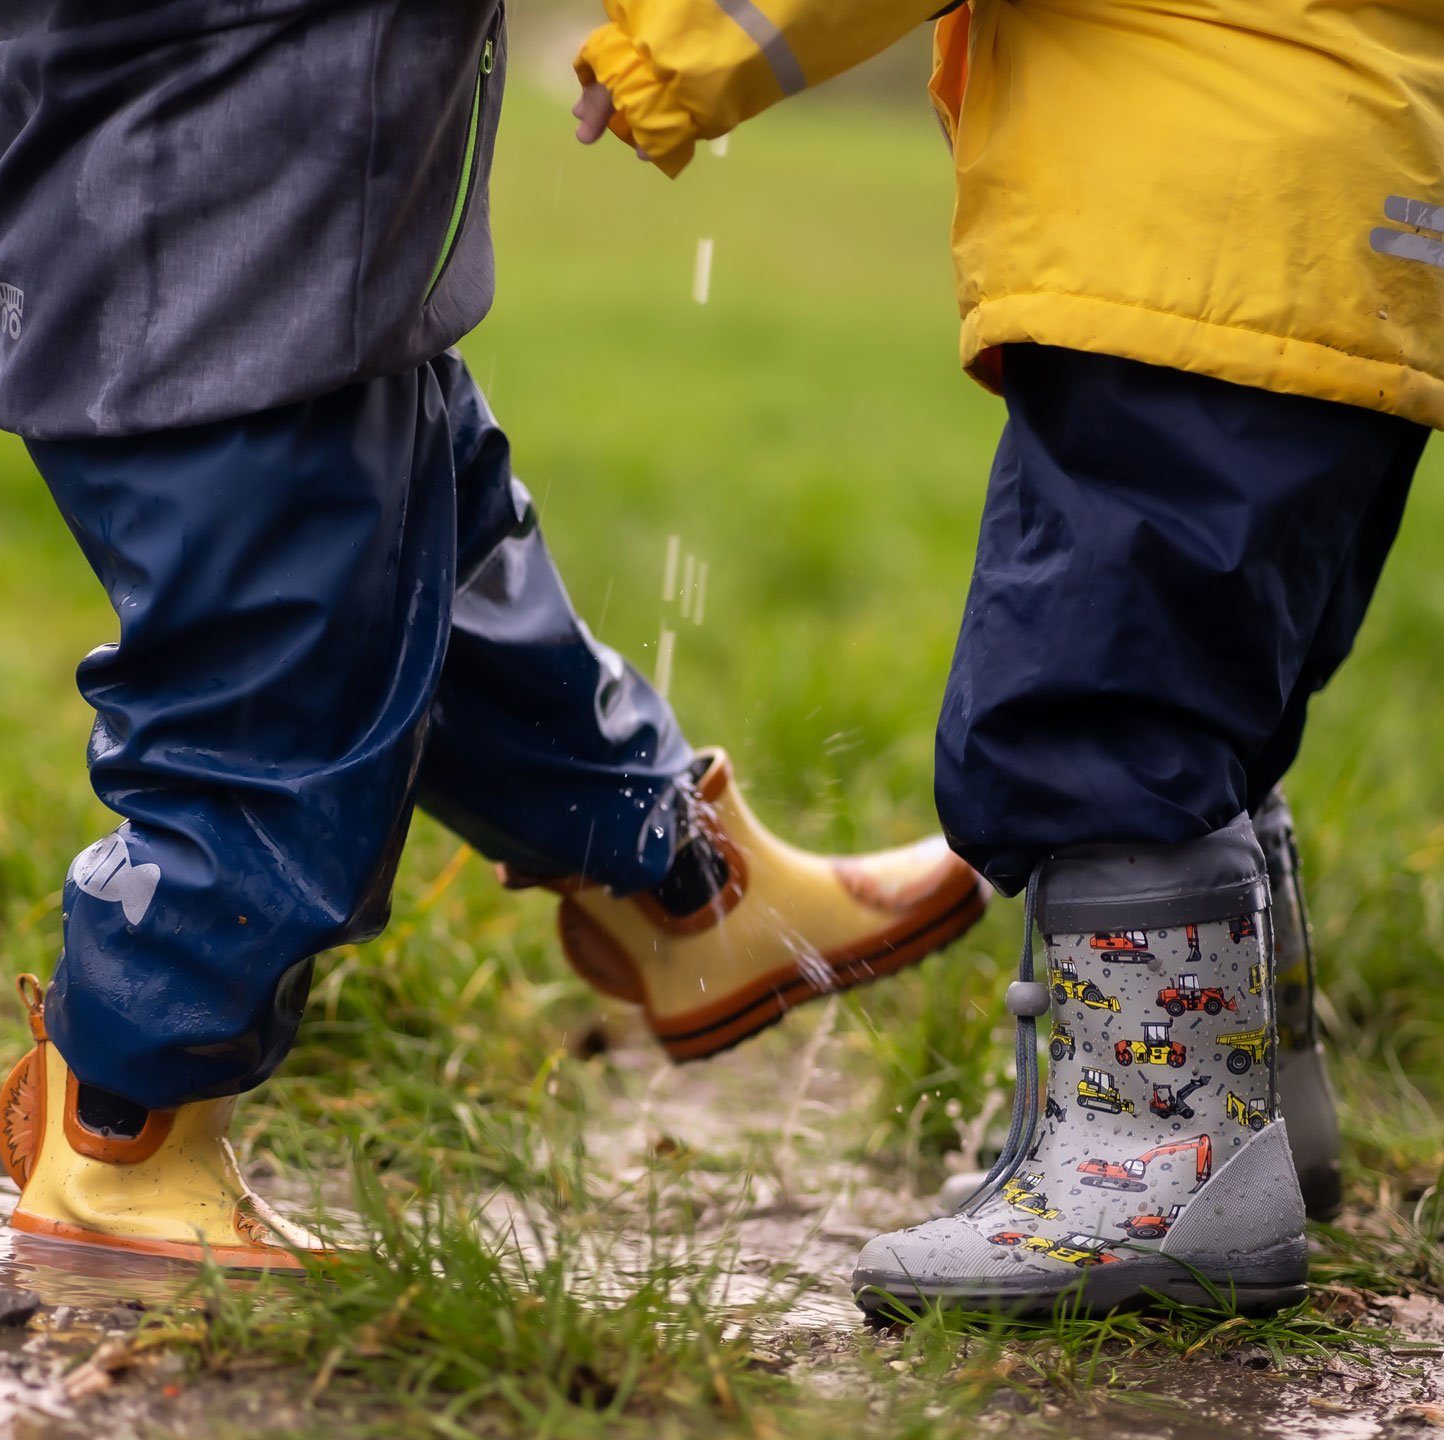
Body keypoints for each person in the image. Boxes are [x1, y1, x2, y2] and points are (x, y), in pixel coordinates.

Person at [0, 1, 989, 1269]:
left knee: (443, 562)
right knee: (272, 694)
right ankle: (125, 1133)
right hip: (208, 264)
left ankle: (675, 878)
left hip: (300, 237)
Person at [572, 0, 1442, 1310]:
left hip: (1187, 242)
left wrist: (667, 50)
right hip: (1357, 234)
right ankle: (1250, 1120)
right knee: (1212, 706)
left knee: (1092, 706)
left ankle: (1150, 1172)